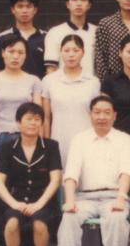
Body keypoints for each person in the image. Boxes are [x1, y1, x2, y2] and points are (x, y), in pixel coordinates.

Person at [57, 95, 130, 246]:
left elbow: (127, 172)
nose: (102, 117)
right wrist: (69, 200)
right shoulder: (79, 139)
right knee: (68, 218)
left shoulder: (124, 139)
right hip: (85, 197)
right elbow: (71, 174)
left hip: (114, 196)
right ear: (90, 115)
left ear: (114, 116)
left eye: (107, 113)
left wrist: (121, 198)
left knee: (117, 218)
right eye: (97, 112)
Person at [0, 103, 61, 246]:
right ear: (18, 123)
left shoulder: (51, 146)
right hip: (17, 201)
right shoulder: (8, 147)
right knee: (12, 222)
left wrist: (39, 204)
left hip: (44, 201)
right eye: (28, 119)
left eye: (37, 119)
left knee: (39, 222)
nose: (33, 123)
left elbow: (56, 179)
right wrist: (13, 203)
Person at [41, 34, 101, 164]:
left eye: (76, 50)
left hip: (86, 141)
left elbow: (97, 116)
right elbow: (46, 118)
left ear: (83, 52)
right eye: (66, 50)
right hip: (58, 140)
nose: (71, 55)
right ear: (60, 52)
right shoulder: (49, 81)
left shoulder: (93, 82)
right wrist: (46, 144)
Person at [0, 34, 43, 160]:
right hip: (0, 137)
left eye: (20, 52)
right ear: (3, 53)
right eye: (11, 51)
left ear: (25, 55)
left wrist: (40, 141)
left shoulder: (34, 81)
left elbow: (39, 115)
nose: (15, 56)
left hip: (27, 137)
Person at [0, 0, 46, 77]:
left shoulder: (47, 37)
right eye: (20, 6)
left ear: (35, 10)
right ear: (13, 10)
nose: (24, 11)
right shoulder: (2, 38)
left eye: (28, 6)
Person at [44, 0, 97, 77]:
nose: (79, 4)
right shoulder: (55, 32)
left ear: (89, 5)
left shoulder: (97, 32)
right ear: (68, 4)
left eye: (83, 0)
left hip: (90, 84)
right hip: (63, 85)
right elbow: (51, 69)